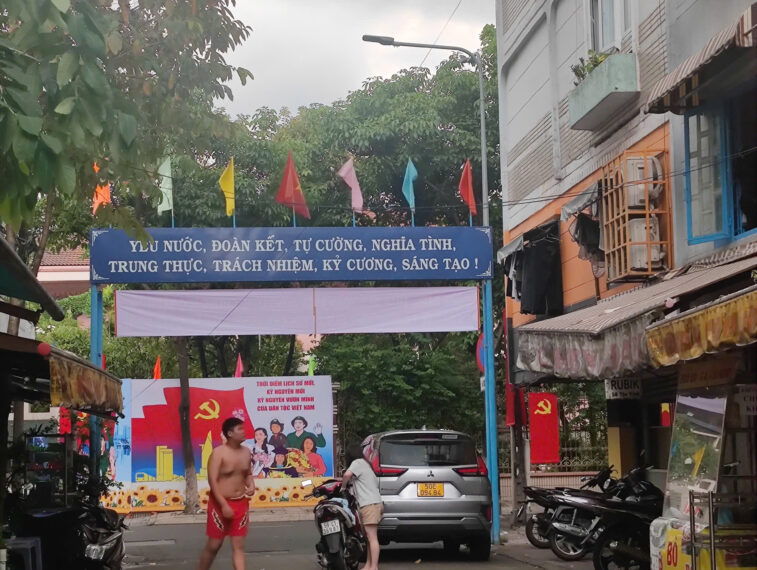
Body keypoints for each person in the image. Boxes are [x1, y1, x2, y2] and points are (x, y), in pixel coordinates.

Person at [197, 417, 255, 570]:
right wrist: (223, 505)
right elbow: (213, 481)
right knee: (214, 545)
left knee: (238, 545)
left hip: (241, 502)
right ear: (230, 433)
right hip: (220, 504)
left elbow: (247, 474)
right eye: (239, 429)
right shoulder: (218, 453)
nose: (243, 432)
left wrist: (251, 485)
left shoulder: (246, 452)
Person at [341, 444, 383, 570]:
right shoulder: (366, 465)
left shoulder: (357, 463)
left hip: (370, 505)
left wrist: (343, 486)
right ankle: (368, 565)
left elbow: (347, 475)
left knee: (372, 538)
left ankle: (374, 567)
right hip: (375, 504)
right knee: (369, 538)